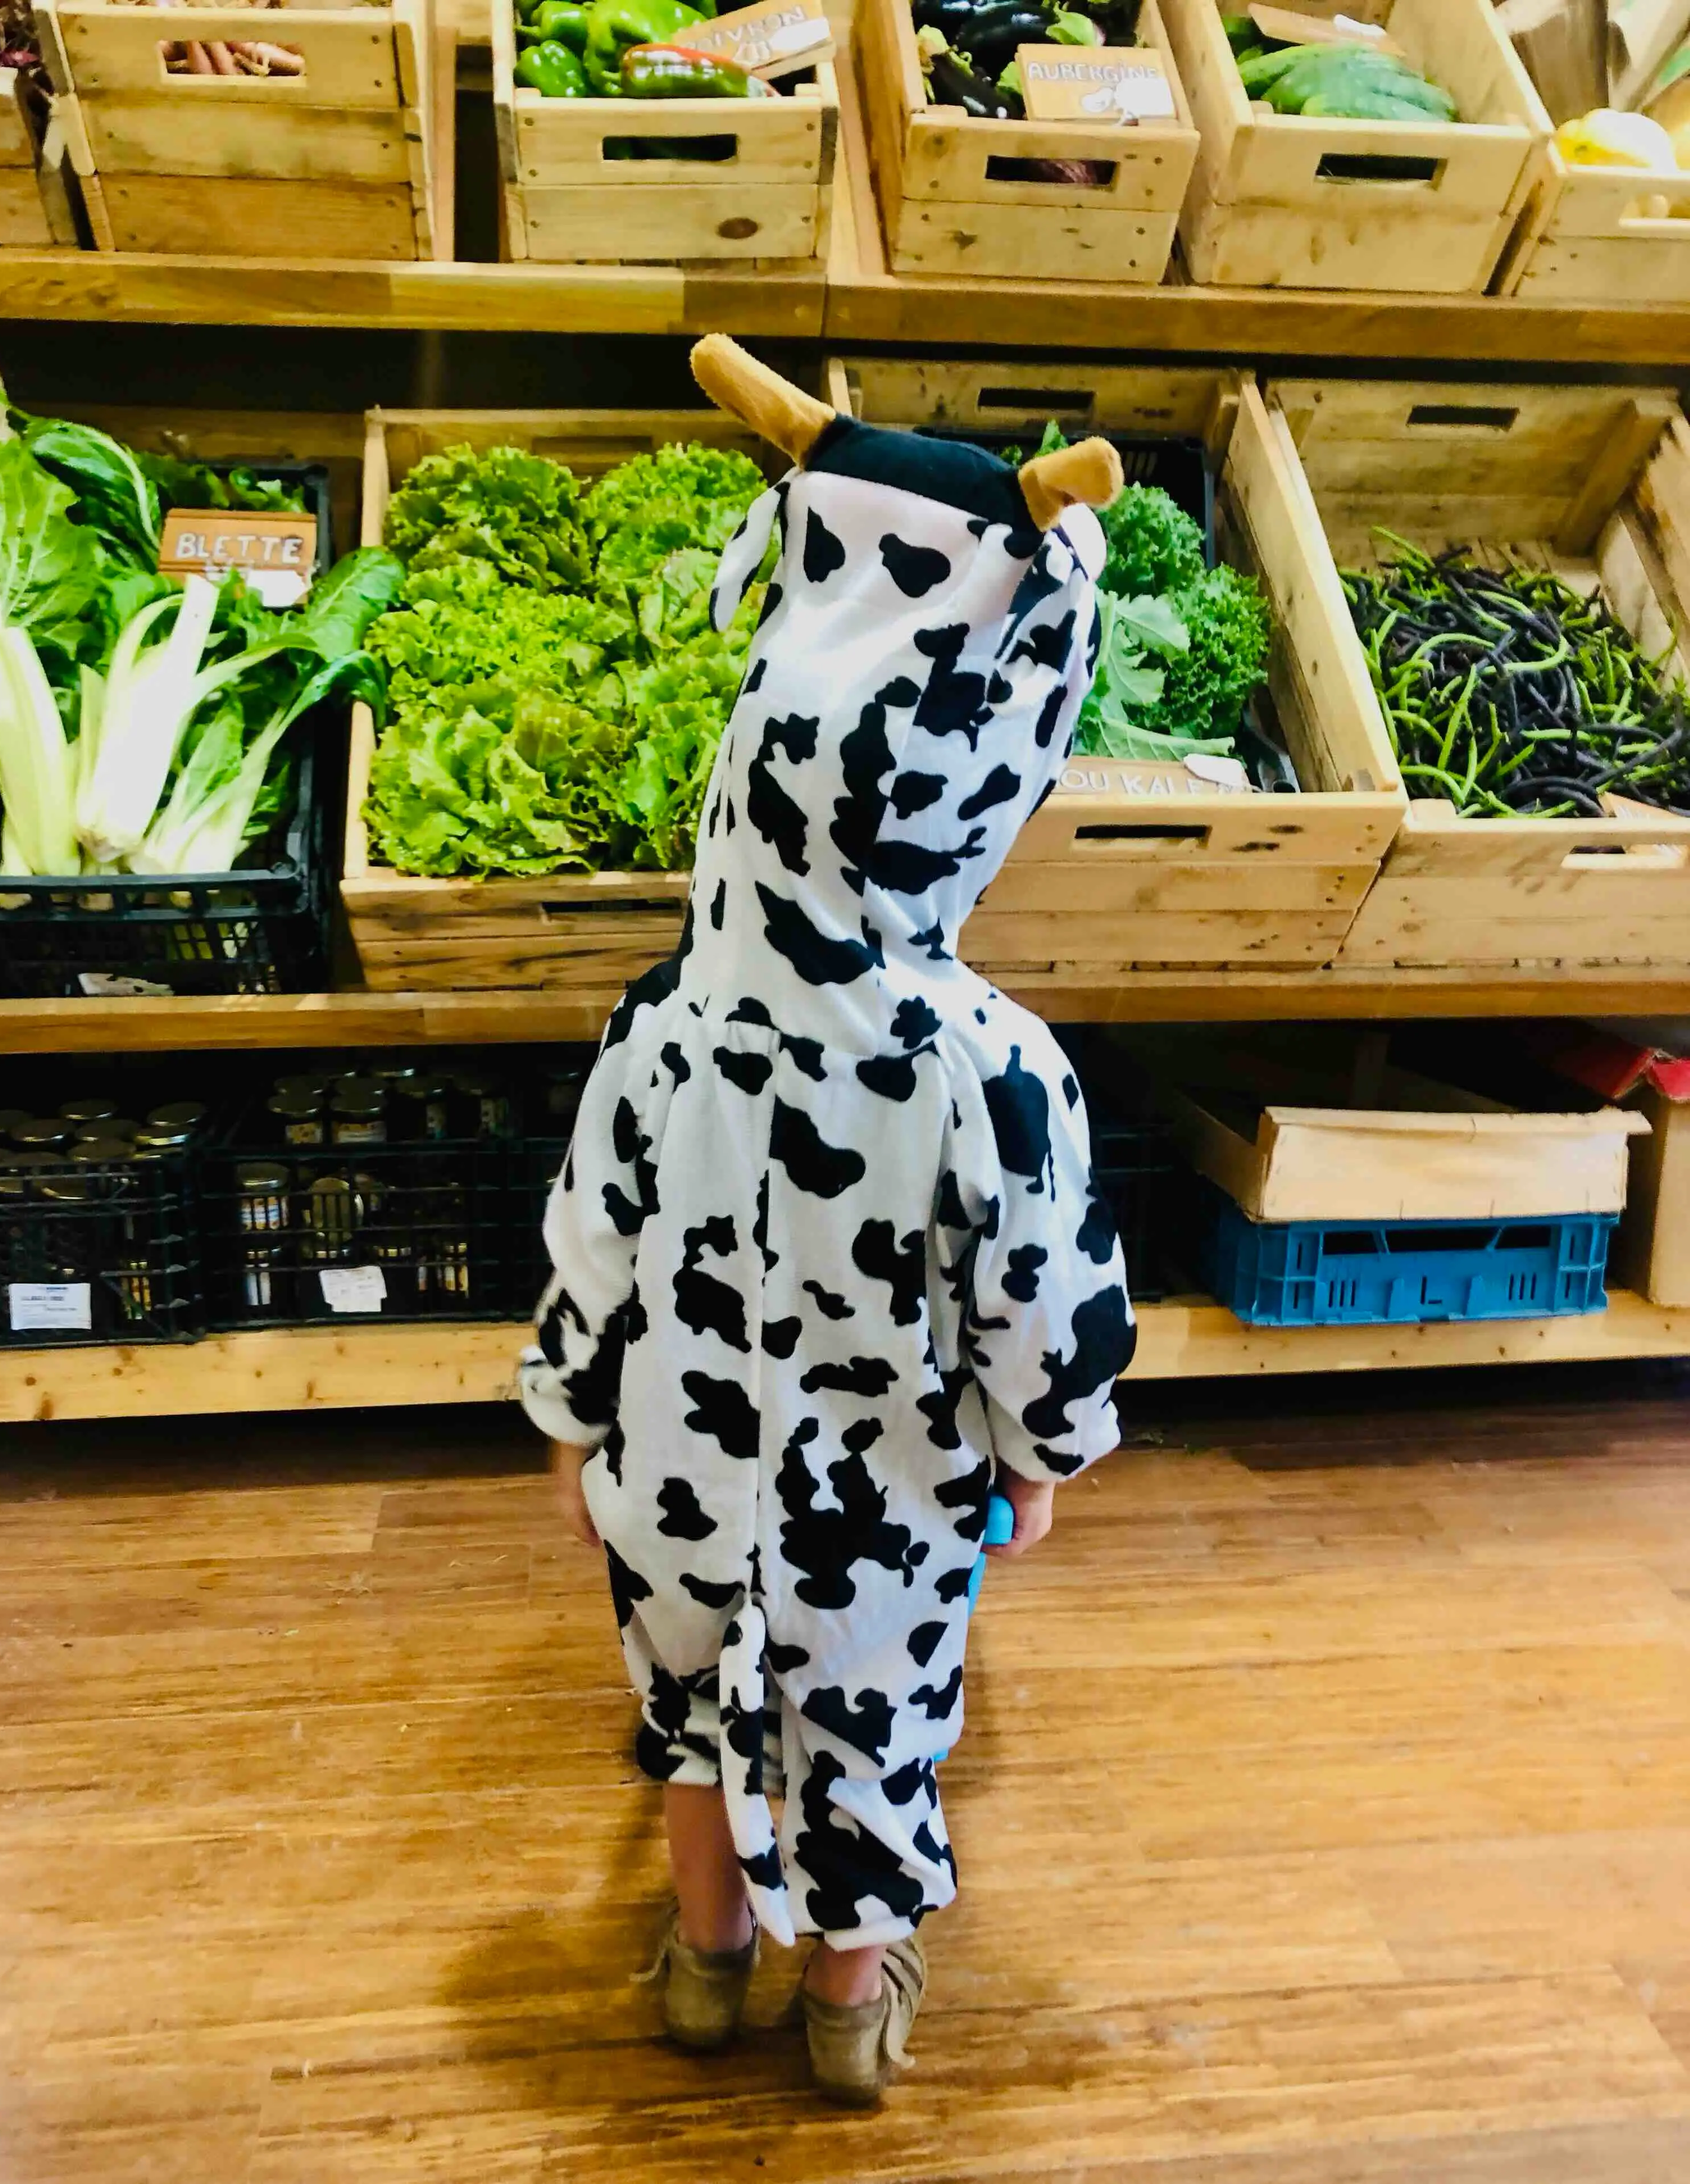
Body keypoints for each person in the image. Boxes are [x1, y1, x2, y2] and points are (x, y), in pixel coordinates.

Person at [521, 336, 1136, 2105]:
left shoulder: (657, 1025)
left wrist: (570, 1417)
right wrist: (1040, 1452)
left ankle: (706, 1970)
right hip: (893, 1491)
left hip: (678, 1480)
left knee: (696, 1728)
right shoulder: (991, 1066)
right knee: (869, 1736)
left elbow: (592, 1237)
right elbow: (1040, 1290)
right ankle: (851, 2000)